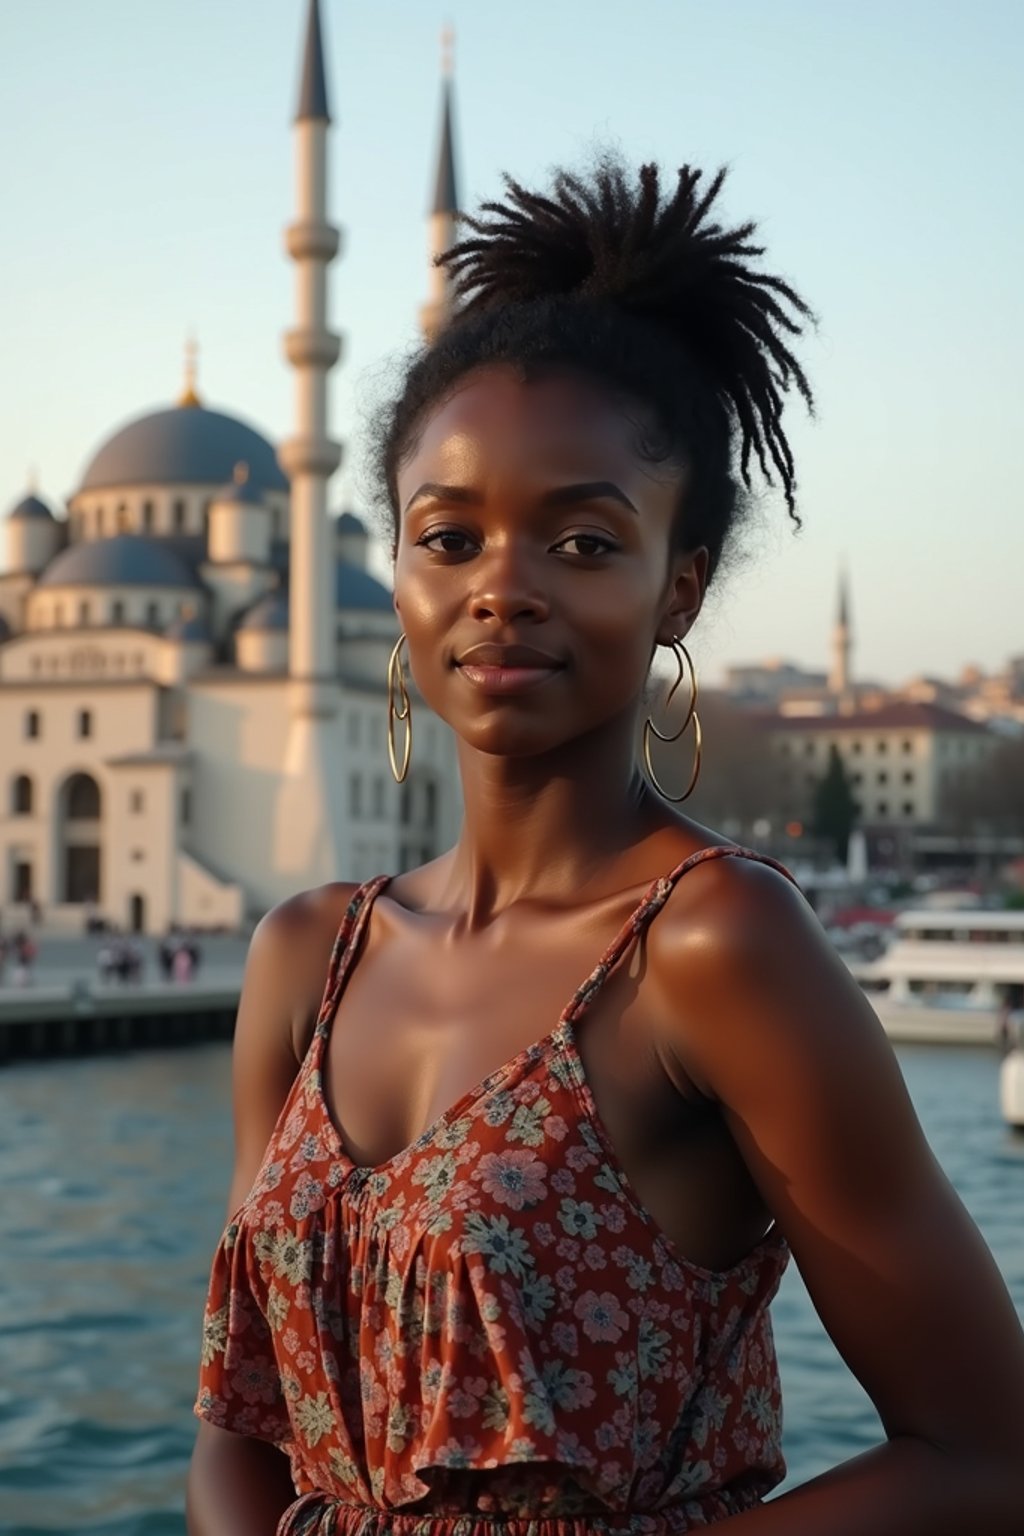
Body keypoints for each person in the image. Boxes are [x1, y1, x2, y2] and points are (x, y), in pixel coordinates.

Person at [187, 157, 1024, 1536]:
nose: (501, 589)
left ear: (676, 587)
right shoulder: (306, 955)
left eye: (581, 540)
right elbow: (238, 1419)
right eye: (447, 537)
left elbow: (985, 1452)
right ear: (390, 568)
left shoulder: (712, 949)